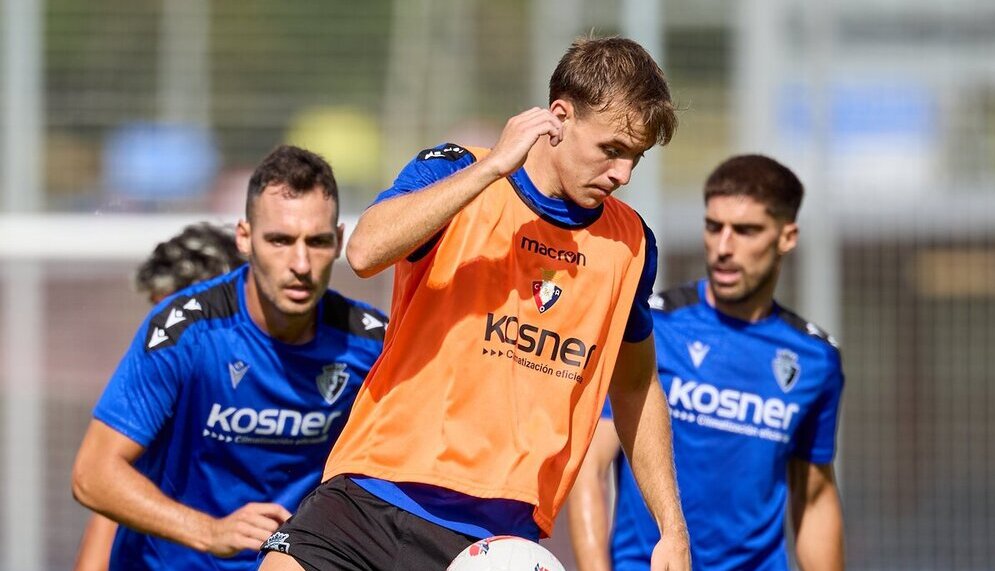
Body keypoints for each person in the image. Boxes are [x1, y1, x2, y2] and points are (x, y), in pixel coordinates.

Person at [260, 36, 691, 571]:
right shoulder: (457, 170)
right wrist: (490, 171)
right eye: (611, 150)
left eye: (636, 158)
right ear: (558, 118)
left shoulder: (630, 244)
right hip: (367, 492)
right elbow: (366, 250)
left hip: (491, 541)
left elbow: (634, 384)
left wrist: (671, 528)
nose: (623, 175)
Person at [71, 145, 387, 570]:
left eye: (317, 242)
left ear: (338, 243)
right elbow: (93, 475)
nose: (300, 263)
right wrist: (211, 531)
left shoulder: (370, 343)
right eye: (279, 240)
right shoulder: (187, 330)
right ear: (244, 237)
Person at [568, 155, 845, 571]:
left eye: (746, 231)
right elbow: (590, 464)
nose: (723, 247)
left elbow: (815, 496)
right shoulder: (653, 326)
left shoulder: (815, 359)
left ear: (786, 237)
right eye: (714, 227)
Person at [73, 222, 246, 571]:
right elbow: (104, 498)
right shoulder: (147, 407)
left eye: (172, 315)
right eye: (156, 313)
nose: (161, 329)